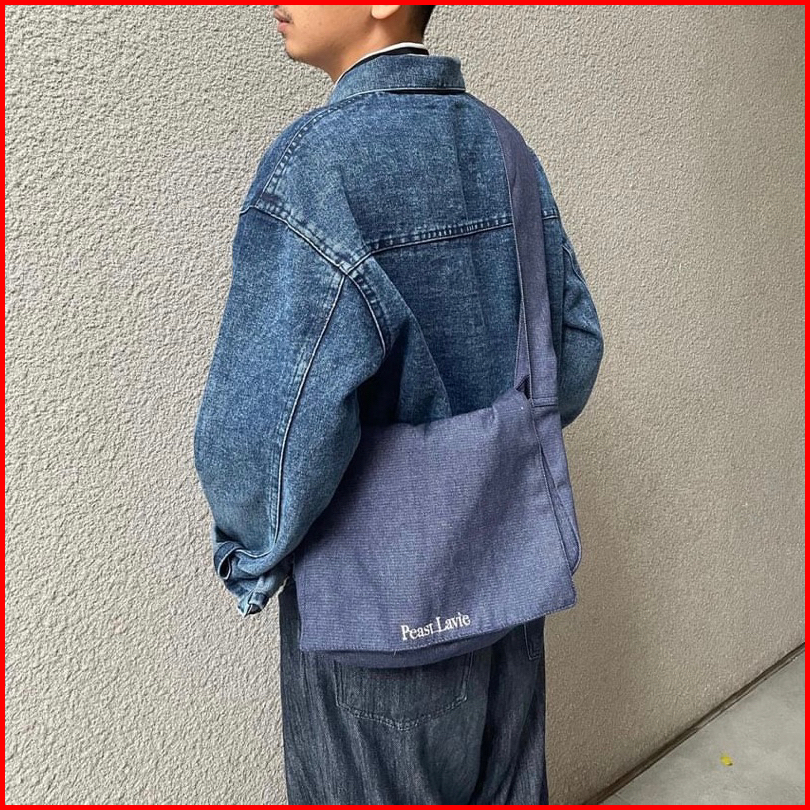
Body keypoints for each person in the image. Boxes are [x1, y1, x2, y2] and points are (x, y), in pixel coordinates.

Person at [193, 5, 604, 804]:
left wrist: (249, 553)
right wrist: (490, 456)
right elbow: (575, 351)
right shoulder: (505, 148)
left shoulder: (314, 169)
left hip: (373, 617)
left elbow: (266, 440)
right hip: (508, 584)